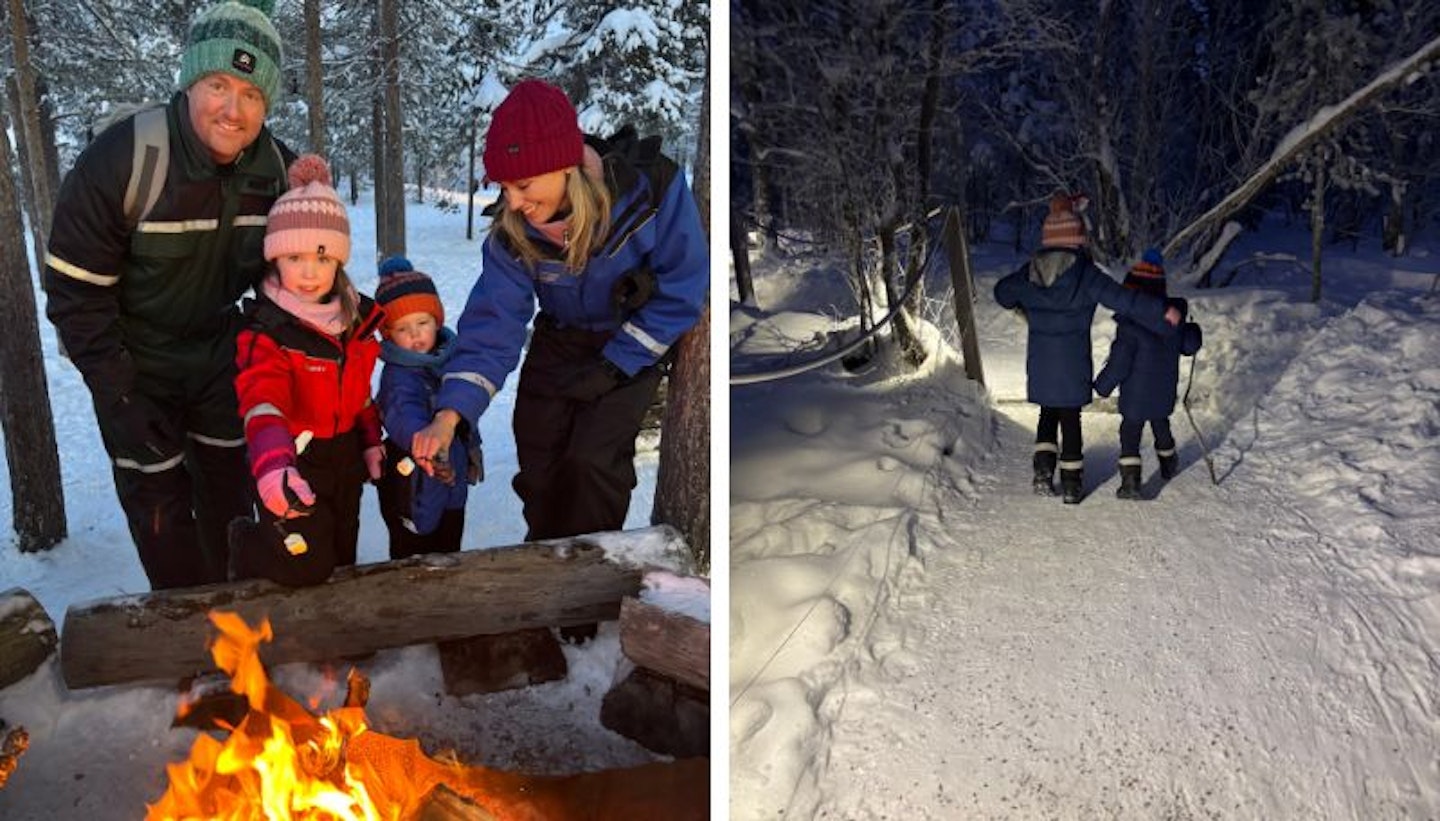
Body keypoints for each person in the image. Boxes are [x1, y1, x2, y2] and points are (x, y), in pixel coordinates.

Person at [410, 79, 708, 636]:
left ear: (565, 165)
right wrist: (451, 412)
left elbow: (684, 288)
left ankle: (588, 600)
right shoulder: (512, 230)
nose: (514, 201)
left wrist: (618, 363)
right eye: (504, 187)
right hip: (560, 337)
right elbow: (494, 322)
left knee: (593, 463)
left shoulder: (652, 192)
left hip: (632, 338)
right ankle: (547, 567)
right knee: (539, 449)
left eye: (523, 184)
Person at [43, 0, 290, 589]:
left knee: (232, 494)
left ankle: (237, 622)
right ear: (188, 83)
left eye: (252, 94)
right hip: (135, 362)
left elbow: (288, 283)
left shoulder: (275, 171)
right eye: (218, 85)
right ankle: (182, 635)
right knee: (159, 506)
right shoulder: (125, 158)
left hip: (219, 359)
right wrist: (120, 394)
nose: (233, 110)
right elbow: (75, 295)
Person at [227, 155, 385, 587]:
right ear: (275, 259)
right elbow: (262, 401)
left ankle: (338, 635)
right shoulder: (268, 330)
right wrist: (275, 464)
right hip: (294, 458)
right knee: (304, 558)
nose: (310, 272)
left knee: (342, 549)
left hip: (346, 457)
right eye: (294, 256)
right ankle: (249, 544)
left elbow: (361, 396)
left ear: (338, 261)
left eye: (321, 257)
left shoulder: (357, 322)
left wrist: (371, 442)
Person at [994, 194, 1180, 505]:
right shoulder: (1086, 275)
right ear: (1077, 239)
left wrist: (1025, 310)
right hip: (1073, 365)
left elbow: (1001, 292)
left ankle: (1042, 471)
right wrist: (1160, 311)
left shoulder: (1029, 272)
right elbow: (1126, 300)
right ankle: (1071, 485)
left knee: (1047, 415)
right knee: (1070, 418)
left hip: (1040, 364)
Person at [373, 256, 481, 559]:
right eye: (402, 329)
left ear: (437, 321)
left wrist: (472, 448)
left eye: (422, 323)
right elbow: (401, 416)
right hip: (411, 480)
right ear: (389, 334)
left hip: (452, 477)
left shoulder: (449, 363)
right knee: (413, 550)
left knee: (449, 544)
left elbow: (464, 412)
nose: (416, 335)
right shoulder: (399, 375)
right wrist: (430, 448)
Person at [1094, 248, 1204, 499]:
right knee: (1161, 425)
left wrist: (1102, 386)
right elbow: (1190, 346)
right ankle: (1168, 463)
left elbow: (1119, 363)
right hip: (1163, 392)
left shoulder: (1130, 326)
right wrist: (1192, 330)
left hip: (1135, 395)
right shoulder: (1175, 321)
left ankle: (1131, 481)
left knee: (1130, 433)